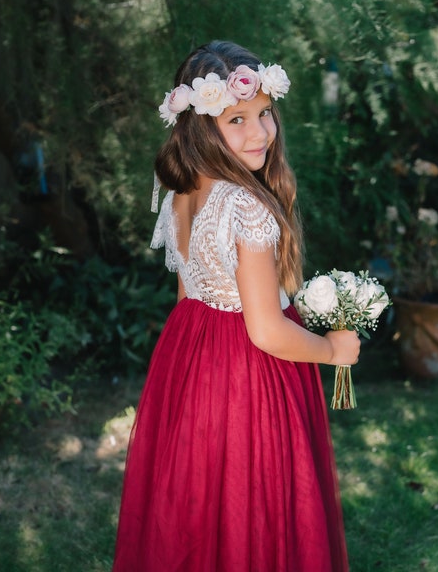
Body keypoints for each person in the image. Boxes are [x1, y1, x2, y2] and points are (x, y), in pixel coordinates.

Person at [112, 40, 361, 572]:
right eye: (237, 119)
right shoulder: (244, 204)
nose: (260, 132)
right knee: (256, 498)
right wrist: (333, 349)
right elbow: (267, 331)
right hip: (252, 376)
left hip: (194, 366)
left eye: (265, 113)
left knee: (202, 496)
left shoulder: (184, 192)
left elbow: (188, 295)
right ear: (201, 127)